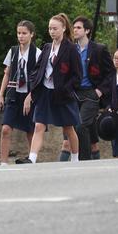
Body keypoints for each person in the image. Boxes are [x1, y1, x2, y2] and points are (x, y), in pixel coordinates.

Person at [22, 13, 82, 164]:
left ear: (63, 29)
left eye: (55, 28)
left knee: (68, 128)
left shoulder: (71, 49)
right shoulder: (47, 47)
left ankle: (75, 158)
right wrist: (33, 86)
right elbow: (37, 69)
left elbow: (77, 76)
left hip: (62, 95)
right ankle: (32, 158)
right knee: (39, 125)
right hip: (45, 92)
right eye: (50, 28)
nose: (52, 31)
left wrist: (66, 89)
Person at [59, 16, 114, 161]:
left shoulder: (99, 49)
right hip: (73, 93)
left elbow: (110, 73)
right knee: (71, 128)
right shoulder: (70, 48)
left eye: (78, 28)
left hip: (90, 93)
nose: (75, 30)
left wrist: (100, 91)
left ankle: (83, 160)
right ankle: (71, 163)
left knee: (80, 125)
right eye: (74, 28)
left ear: (87, 30)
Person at [0, 20, 41, 165]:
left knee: (30, 130)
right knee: (6, 129)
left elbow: (39, 79)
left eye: (24, 33)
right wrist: (1, 94)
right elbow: (7, 74)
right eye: (19, 33)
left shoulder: (37, 53)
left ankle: (32, 159)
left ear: (31, 34)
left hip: (29, 94)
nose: (21, 36)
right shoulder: (13, 51)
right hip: (13, 94)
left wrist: (31, 96)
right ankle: (3, 162)